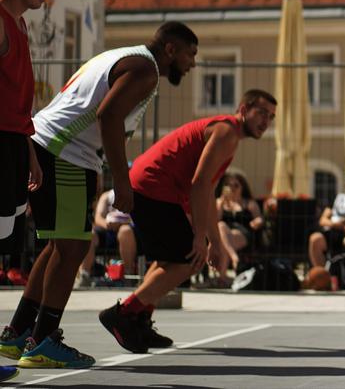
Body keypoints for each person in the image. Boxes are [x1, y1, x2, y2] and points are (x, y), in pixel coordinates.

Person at [0, 21, 197, 369]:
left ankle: (18, 333)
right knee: (73, 246)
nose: (192, 63)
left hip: (48, 143)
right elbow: (108, 116)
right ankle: (43, 341)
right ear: (170, 50)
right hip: (67, 152)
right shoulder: (145, 70)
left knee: (59, 245)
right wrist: (121, 181)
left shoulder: (124, 56)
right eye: (189, 54)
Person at [98, 89, 275, 354]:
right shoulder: (226, 131)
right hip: (153, 187)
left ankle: (140, 320)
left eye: (271, 117)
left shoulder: (228, 136)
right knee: (188, 260)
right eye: (261, 112)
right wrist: (199, 238)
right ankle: (124, 313)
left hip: (152, 187)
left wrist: (215, 241)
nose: (265, 121)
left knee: (168, 261)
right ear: (243, 108)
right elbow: (200, 184)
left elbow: (207, 192)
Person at [0, 0, 54, 380]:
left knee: (3, 249)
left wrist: (30, 151)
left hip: (15, 146)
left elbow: (16, 102)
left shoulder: (19, 25)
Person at [78, 188, 139, 287]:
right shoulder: (106, 196)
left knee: (125, 231)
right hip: (107, 229)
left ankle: (128, 276)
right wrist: (108, 225)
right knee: (90, 234)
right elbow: (98, 218)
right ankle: (84, 275)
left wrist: (122, 223)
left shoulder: (135, 194)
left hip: (127, 229)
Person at [213, 171, 264, 280]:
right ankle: (233, 259)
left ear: (242, 187)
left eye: (236, 185)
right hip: (224, 235)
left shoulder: (249, 203)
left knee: (225, 236)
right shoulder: (219, 202)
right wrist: (221, 203)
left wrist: (257, 222)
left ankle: (221, 278)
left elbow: (259, 217)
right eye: (228, 185)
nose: (231, 188)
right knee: (222, 227)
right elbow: (215, 221)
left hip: (243, 234)